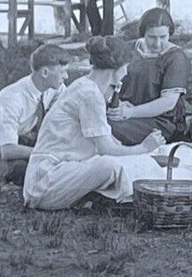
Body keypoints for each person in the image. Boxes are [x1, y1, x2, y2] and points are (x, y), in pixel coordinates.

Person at [23, 35, 165, 211]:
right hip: (45, 182)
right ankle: (135, 201)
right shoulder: (89, 94)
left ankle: (105, 198)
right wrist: (143, 148)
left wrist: (142, 153)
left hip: (58, 172)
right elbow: (107, 149)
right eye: (125, 67)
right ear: (115, 69)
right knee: (111, 165)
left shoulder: (86, 86)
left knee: (124, 161)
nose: (126, 72)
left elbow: (110, 140)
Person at [0, 43, 71, 185]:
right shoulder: (12, 99)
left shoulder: (55, 88)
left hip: (25, 139)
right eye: (62, 72)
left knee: (68, 158)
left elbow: (69, 111)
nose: (67, 76)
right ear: (45, 73)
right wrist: (46, 154)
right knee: (28, 171)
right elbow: (7, 150)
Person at [110, 7, 189, 145]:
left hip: (159, 121)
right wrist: (119, 104)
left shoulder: (175, 57)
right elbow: (109, 82)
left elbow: (168, 103)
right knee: (94, 123)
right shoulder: (130, 50)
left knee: (107, 130)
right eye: (152, 37)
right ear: (143, 34)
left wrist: (130, 112)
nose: (157, 43)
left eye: (163, 37)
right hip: (125, 113)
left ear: (170, 33)